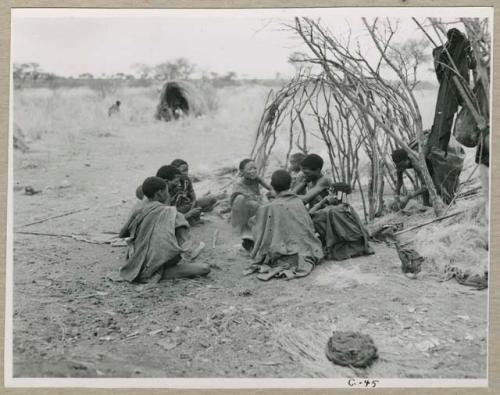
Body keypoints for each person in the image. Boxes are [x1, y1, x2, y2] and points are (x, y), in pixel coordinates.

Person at [119, 177, 209, 283]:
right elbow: (188, 248)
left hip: (135, 263)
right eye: (167, 190)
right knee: (204, 268)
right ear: (159, 193)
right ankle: (155, 272)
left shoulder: (139, 211)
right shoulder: (172, 213)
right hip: (154, 267)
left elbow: (122, 234)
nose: (168, 193)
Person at [296, 153, 373, 261]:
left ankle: (329, 242)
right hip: (319, 212)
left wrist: (288, 196)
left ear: (317, 170)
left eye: (307, 172)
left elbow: (303, 200)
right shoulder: (308, 180)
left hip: (328, 215)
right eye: (303, 172)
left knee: (314, 217)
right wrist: (301, 183)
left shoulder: (324, 180)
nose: (304, 175)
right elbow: (292, 196)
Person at [249, 169, 323, 280]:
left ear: (272, 185)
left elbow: (260, 230)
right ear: (290, 184)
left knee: (255, 222)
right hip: (306, 248)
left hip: (283, 250)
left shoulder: (268, 207)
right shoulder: (298, 201)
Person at [230, 158, 272, 250]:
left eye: (255, 168)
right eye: (249, 169)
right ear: (241, 171)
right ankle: (243, 230)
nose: (253, 171)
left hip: (256, 207)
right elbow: (236, 202)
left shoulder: (256, 178)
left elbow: (271, 188)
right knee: (242, 199)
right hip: (243, 212)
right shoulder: (238, 185)